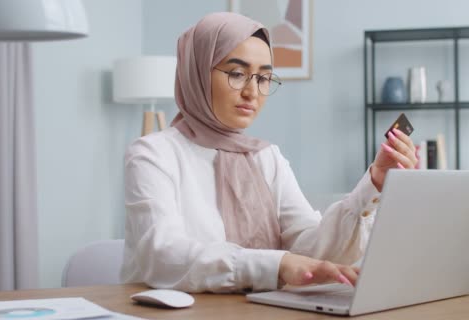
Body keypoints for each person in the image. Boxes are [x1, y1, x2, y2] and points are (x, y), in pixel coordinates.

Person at [120, 12, 417, 293]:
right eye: (237, 73)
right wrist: (278, 264)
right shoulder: (153, 153)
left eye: (263, 79)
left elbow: (311, 248)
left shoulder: (266, 157)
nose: (252, 92)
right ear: (196, 72)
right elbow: (161, 255)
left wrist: (374, 182)